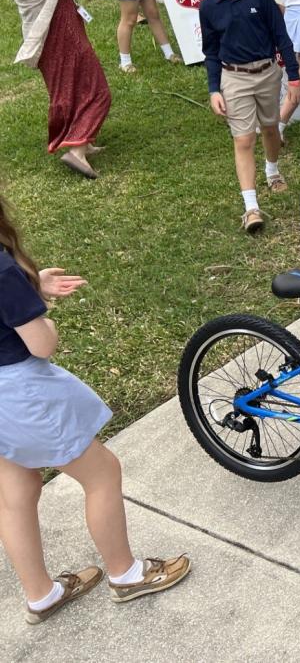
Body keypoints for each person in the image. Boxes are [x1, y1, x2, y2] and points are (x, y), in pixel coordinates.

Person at [0, 191, 191, 624]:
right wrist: (38, 307)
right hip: (20, 390)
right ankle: (127, 574)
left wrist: (29, 288)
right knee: (101, 472)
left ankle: (41, 595)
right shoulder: (2, 271)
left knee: (15, 490)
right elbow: (42, 343)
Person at [195, 0, 300, 233]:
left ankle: (272, 170)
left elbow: (282, 37)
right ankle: (251, 207)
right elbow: (211, 51)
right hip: (234, 77)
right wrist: (214, 89)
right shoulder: (208, 7)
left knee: (270, 127)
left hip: (268, 73)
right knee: (243, 139)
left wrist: (293, 75)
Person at [0, 0, 111, 179]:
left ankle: (79, 138)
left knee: (65, 89)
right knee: (96, 91)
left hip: (42, 38)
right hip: (64, 34)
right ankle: (76, 152)